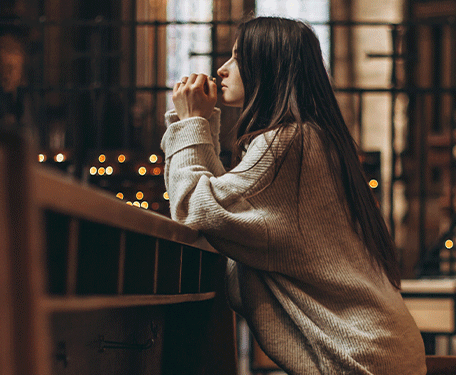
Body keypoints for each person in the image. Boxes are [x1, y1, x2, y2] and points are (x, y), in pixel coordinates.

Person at [162, 16, 426, 375]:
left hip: (360, 359)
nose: (222, 70)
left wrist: (192, 122)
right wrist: (197, 125)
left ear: (266, 68)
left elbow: (195, 206)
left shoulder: (288, 143)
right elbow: (226, 211)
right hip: (380, 351)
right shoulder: (309, 137)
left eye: (237, 58)